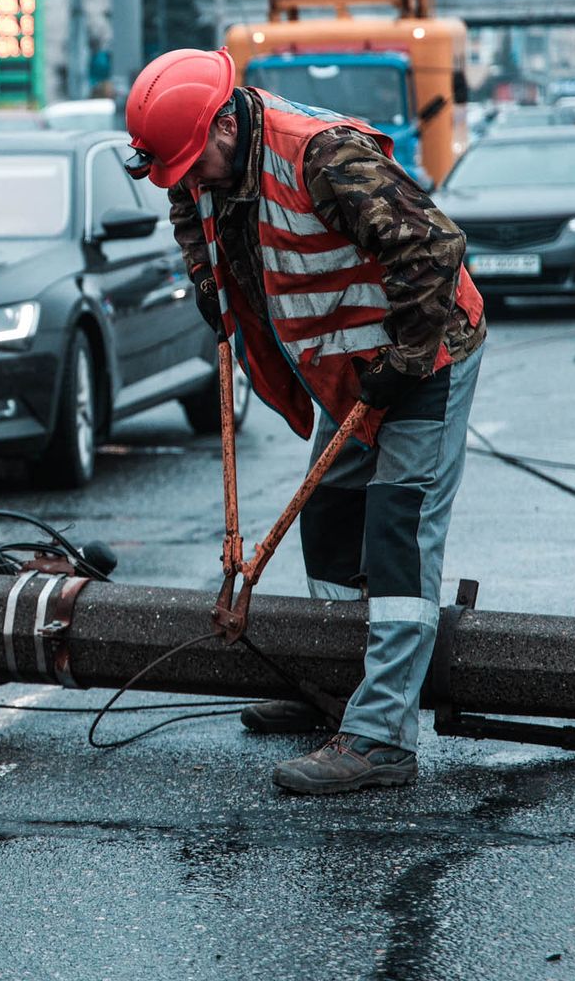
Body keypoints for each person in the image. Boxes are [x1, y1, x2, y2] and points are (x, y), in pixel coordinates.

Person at [123, 47, 486, 796]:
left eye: (196, 165)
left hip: (425, 352)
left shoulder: (323, 157)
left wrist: (406, 360)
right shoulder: (200, 163)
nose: (188, 183)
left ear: (227, 122)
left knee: (397, 526)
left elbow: (435, 248)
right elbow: (195, 223)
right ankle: (333, 688)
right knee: (328, 513)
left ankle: (381, 735)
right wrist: (206, 285)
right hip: (348, 362)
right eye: (176, 173)